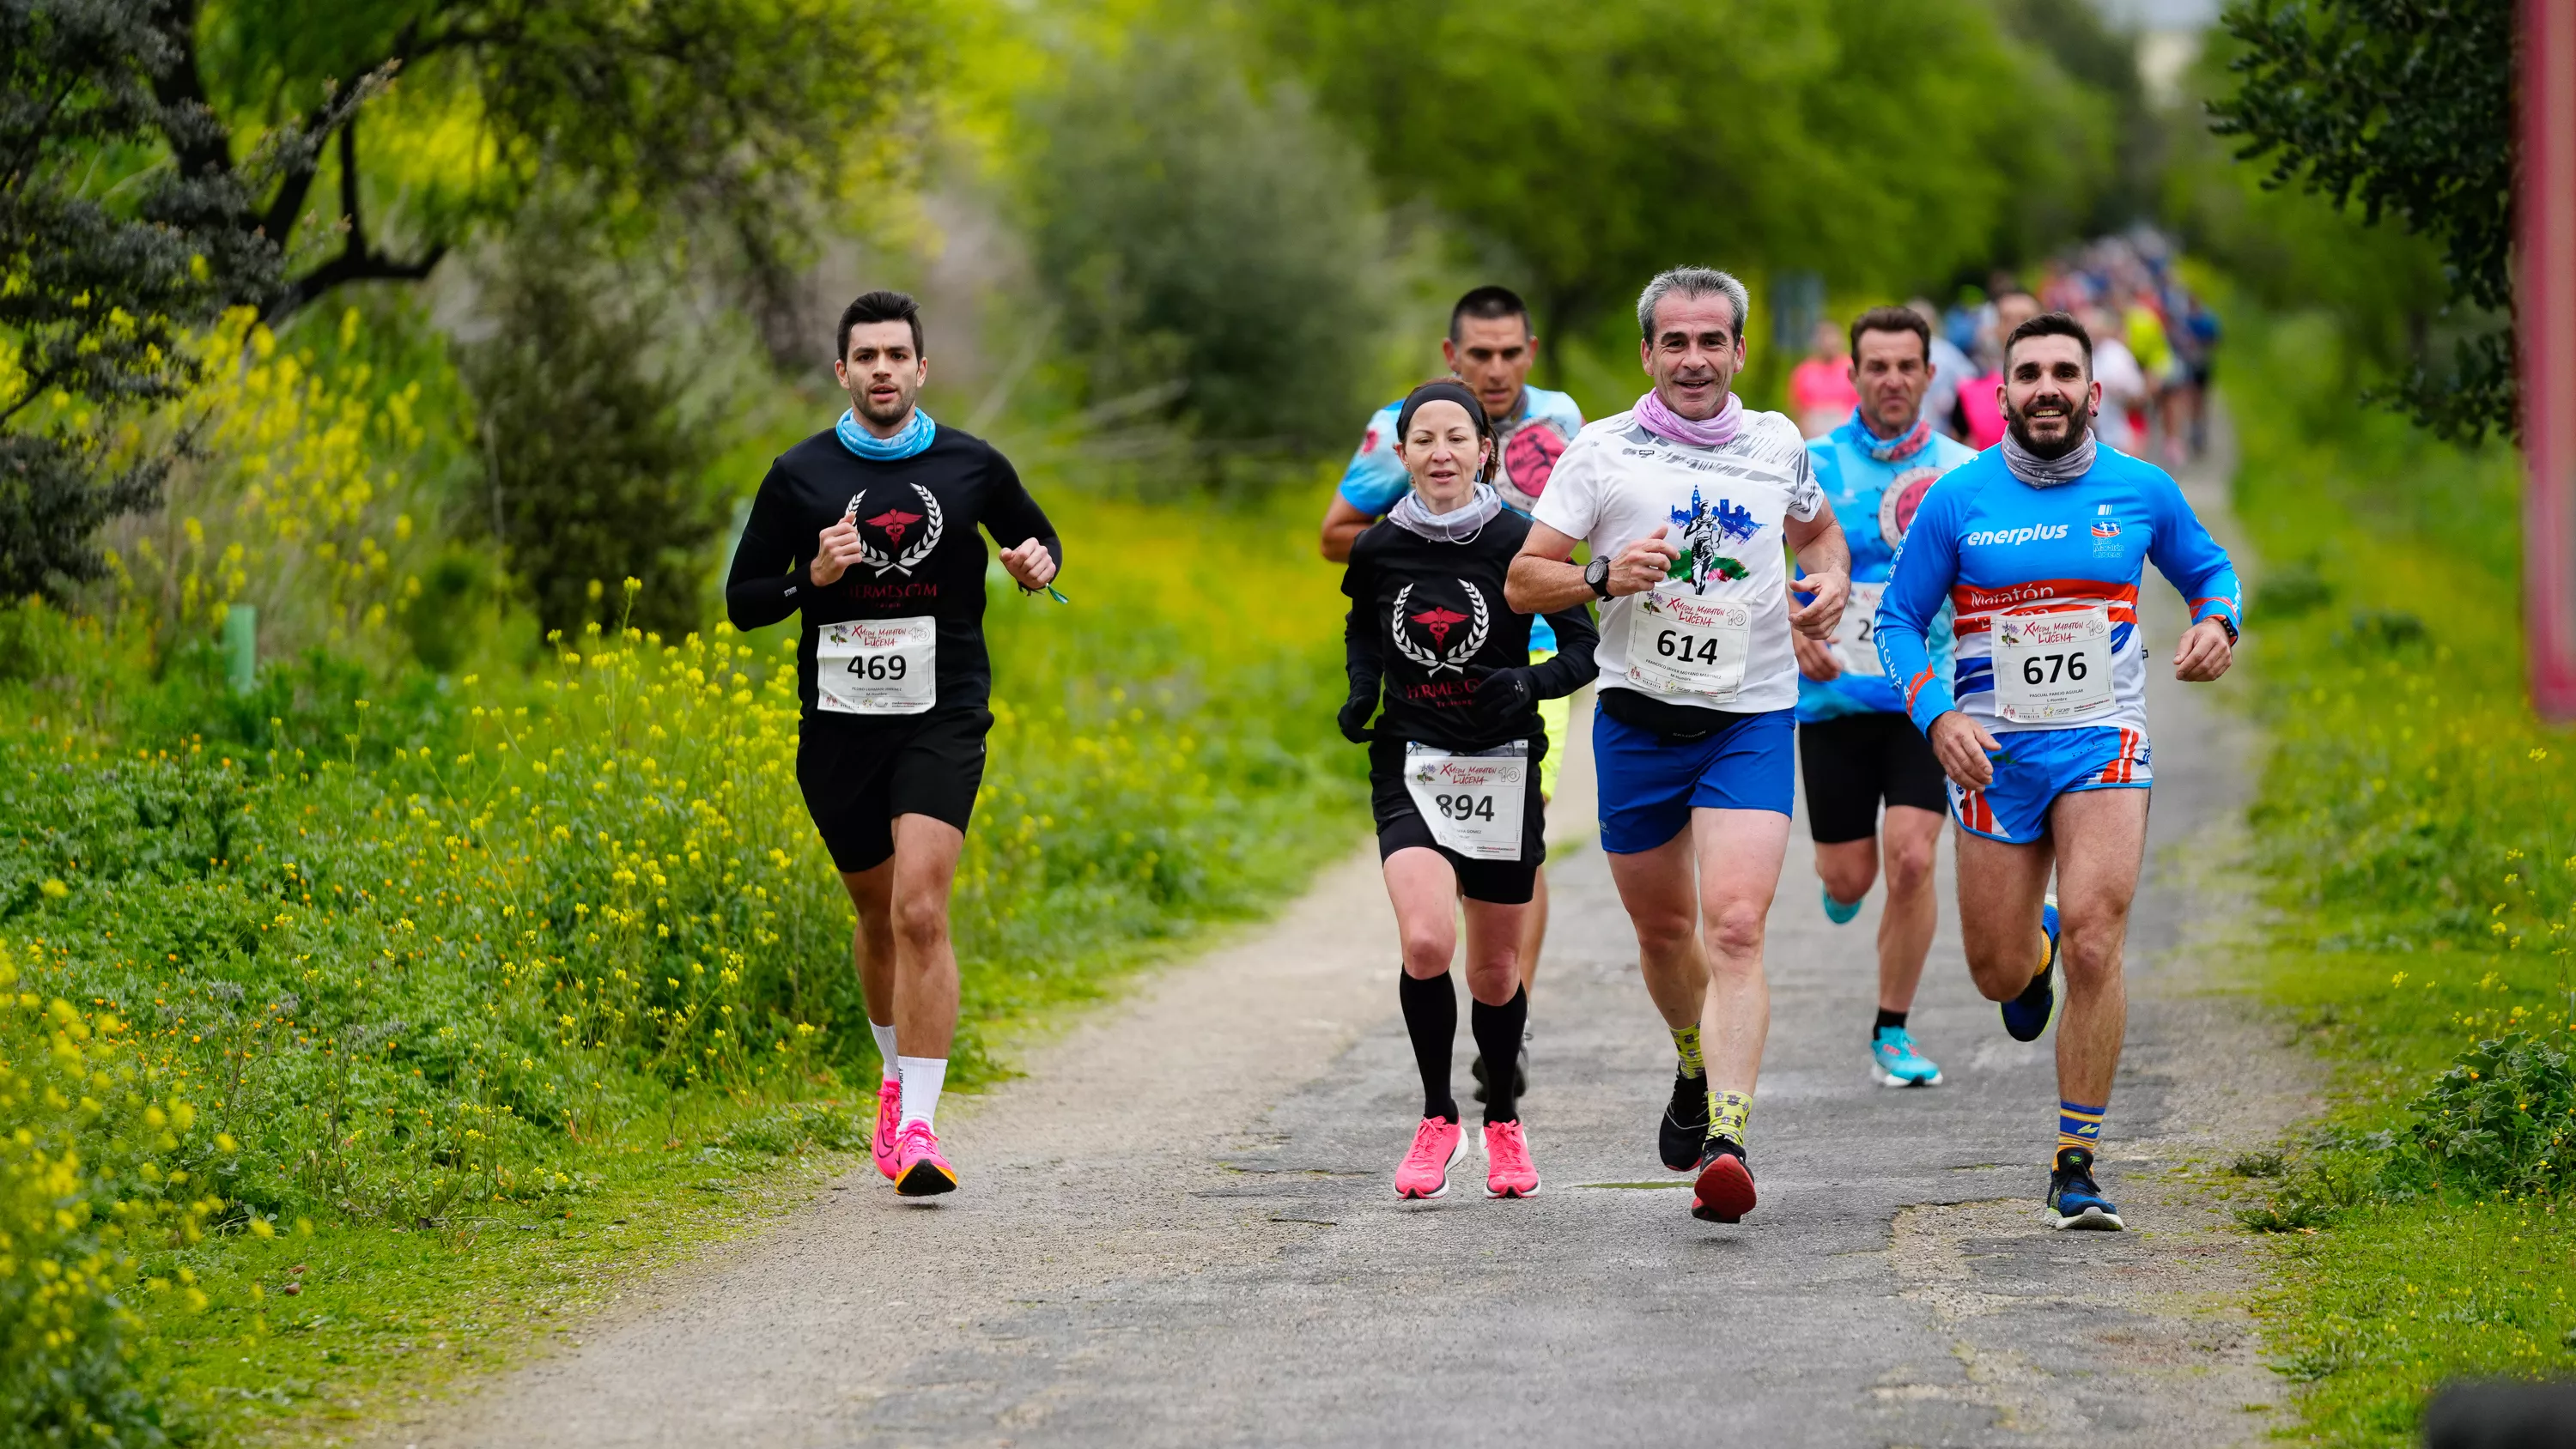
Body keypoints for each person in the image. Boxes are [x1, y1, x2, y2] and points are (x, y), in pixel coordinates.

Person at [1875, 311, 2240, 1232]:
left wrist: (2216, 623)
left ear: (2092, 389)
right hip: (1992, 754)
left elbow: (2211, 572)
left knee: (2096, 938)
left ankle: (2075, 1161)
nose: (2047, 387)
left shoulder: (2141, 488)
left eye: (2062, 372)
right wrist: (1937, 714)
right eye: (2028, 372)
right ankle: (2027, 951)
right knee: (2001, 971)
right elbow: (1894, 622)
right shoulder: (1958, 500)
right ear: (2000, 393)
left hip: (2104, 741)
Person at [1507, 267, 1851, 1225]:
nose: (1694, 359)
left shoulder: (1778, 440)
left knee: (1735, 925)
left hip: (1750, 715)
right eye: (1675, 342)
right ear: (1647, 354)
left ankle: (1728, 1138)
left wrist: (1825, 586)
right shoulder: (1601, 451)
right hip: (1638, 719)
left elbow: (1821, 536)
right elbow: (1525, 582)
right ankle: (1692, 1063)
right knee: (1666, 931)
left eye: (1712, 342)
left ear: (1742, 350)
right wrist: (1604, 574)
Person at [726, 290, 1063, 1199]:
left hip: (942, 712)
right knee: (876, 916)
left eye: (896, 355)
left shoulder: (971, 465)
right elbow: (744, 598)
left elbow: (1040, 539)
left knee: (920, 908)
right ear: (842, 371)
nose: (882, 369)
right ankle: (891, 1075)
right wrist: (815, 575)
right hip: (838, 724)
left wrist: (1038, 565)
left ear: (922, 369)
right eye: (864, 355)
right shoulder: (798, 475)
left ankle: (918, 1123)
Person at [1321, 286, 1586, 1105]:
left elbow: (1594, 537)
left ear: (1530, 355)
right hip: (1427, 673)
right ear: (1452, 357)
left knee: (1516, 828)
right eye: (1481, 356)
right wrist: (1414, 551)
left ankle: (1509, 1009)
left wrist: (1560, 570)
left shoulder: (1566, 426)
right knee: (1438, 895)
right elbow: (1339, 536)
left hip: (1533, 662)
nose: (1497, 368)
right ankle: (1481, 1006)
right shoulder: (1396, 430)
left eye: (1511, 354)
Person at [1796, 306, 1978, 1089]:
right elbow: (1749, 564)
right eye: (1878, 366)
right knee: (1850, 878)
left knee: (1912, 860)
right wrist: (1791, 629)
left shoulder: (1966, 470)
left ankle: (1892, 1030)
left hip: (1921, 699)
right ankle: (1842, 884)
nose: (1893, 379)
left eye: (1908, 365)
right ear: (1855, 374)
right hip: (1832, 697)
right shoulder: (1810, 462)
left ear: (1931, 375)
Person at [1958, 289, 2040, 451]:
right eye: (2007, 319)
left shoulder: (2063, 385)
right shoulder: (1970, 391)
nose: (2017, 326)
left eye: (2026, 319)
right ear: (1995, 327)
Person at [1788, 318, 1860, 439]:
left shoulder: (1853, 368)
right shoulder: (1804, 372)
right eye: (1823, 338)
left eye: (1832, 337)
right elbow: (1797, 408)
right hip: (1814, 437)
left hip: (1847, 434)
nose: (1828, 343)